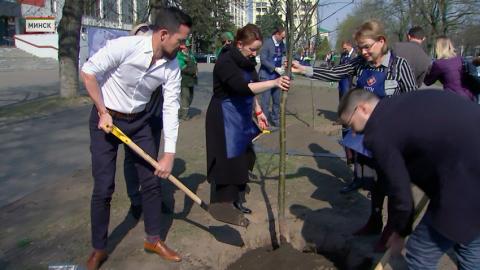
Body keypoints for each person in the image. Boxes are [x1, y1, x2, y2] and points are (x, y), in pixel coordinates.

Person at [290, 20, 417, 251]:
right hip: (367, 137)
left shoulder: (400, 67)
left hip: (394, 138)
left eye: (367, 47)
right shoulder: (359, 63)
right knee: (373, 182)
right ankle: (374, 220)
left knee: (392, 182)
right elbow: (334, 71)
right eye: (360, 48)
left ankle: (392, 227)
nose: (364, 52)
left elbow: (413, 101)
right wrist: (305, 70)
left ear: (382, 41)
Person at [81, 7, 192, 269]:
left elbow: (170, 106)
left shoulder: (172, 66)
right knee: (104, 187)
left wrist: (169, 154)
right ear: (164, 34)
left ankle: (153, 239)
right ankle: (99, 248)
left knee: (152, 182)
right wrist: (102, 111)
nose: (184, 46)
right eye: (181, 40)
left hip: (139, 122)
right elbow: (88, 72)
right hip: (105, 120)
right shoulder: (125, 47)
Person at [338, 88, 480, 270]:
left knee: (421, 252)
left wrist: (400, 231)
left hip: (467, 182)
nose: (354, 133)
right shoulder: (400, 105)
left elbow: (401, 192)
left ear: (362, 109)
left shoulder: (379, 132)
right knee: (470, 245)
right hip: (467, 171)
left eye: (350, 124)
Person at [206, 23, 290, 227]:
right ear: (239, 44)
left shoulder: (248, 61)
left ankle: (237, 199)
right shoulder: (225, 61)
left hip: (241, 113)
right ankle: (224, 203)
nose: (254, 54)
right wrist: (274, 82)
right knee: (229, 158)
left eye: (257, 50)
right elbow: (243, 87)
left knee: (246, 156)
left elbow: (251, 91)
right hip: (224, 115)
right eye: (252, 49)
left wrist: (258, 111)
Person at [424, 36, 476, 101]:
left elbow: (428, 82)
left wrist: (426, 70)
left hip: (453, 98)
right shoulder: (460, 59)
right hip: (469, 96)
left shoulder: (439, 64)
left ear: (438, 48)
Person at [258, 26, 286, 129]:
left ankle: (275, 119)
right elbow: (263, 60)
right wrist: (275, 68)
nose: (283, 39)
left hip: (277, 77)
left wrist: (285, 64)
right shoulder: (267, 43)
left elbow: (285, 55)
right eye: (282, 37)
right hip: (266, 76)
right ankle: (264, 123)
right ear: (277, 34)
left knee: (276, 100)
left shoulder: (282, 44)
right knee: (265, 102)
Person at [176, 38, 197, 120]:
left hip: (191, 80)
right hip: (184, 80)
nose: (188, 48)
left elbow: (195, 63)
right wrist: (192, 71)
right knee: (185, 97)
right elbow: (182, 68)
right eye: (187, 46)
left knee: (191, 97)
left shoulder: (190, 55)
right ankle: (184, 116)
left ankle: (180, 112)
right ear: (182, 47)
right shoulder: (179, 56)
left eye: (189, 46)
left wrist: (196, 71)